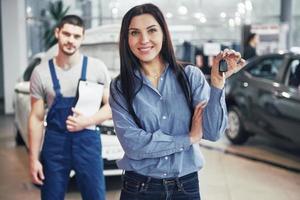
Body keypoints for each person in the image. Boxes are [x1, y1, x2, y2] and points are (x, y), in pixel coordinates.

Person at [109, 3, 245, 200]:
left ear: (164, 33)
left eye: (152, 30)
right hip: (139, 188)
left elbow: (213, 132)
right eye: (134, 33)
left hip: (186, 187)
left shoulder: (190, 76)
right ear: (126, 39)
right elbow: (133, 145)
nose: (144, 40)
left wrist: (217, 83)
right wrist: (187, 139)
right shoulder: (121, 87)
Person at [28, 15, 111, 200]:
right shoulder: (40, 73)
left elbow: (113, 107)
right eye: (66, 34)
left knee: (95, 196)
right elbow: (36, 118)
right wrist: (33, 159)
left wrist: (88, 121)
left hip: (87, 141)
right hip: (55, 144)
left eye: (76, 36)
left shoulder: (96, 68)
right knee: (51, 196)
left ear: (82, 38)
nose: (71, 40)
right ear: (57, 33)